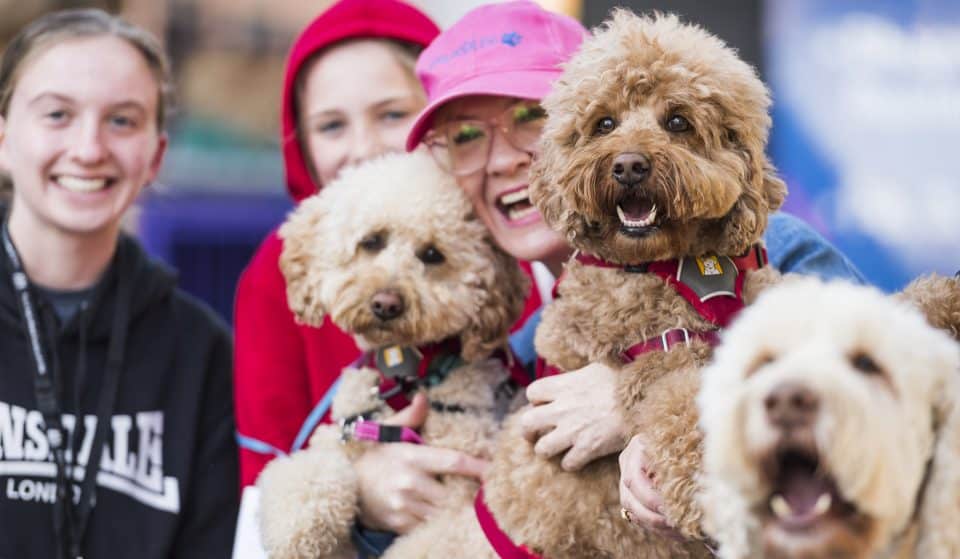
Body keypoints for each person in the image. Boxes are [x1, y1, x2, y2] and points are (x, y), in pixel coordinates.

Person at [403, 0, 866, 544]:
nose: (503, 159)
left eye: (527, 117)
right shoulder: (507, 330)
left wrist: (635, 398)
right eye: (464, 136)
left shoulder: (776, 251)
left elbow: (880, 410)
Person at [233, 0, 537, 545]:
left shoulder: (501, 240)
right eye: (330, 126)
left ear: (443, 121)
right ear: (300, 143)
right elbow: (262, 479)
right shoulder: (274, 272)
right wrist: (361, 490)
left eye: (392, 115)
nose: (364, 148)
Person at [0, 8, 237, 558]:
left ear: (155, 155)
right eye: (57, 114)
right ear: (5, 140)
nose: (89, 149)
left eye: (122, 121)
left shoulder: (199, 352)